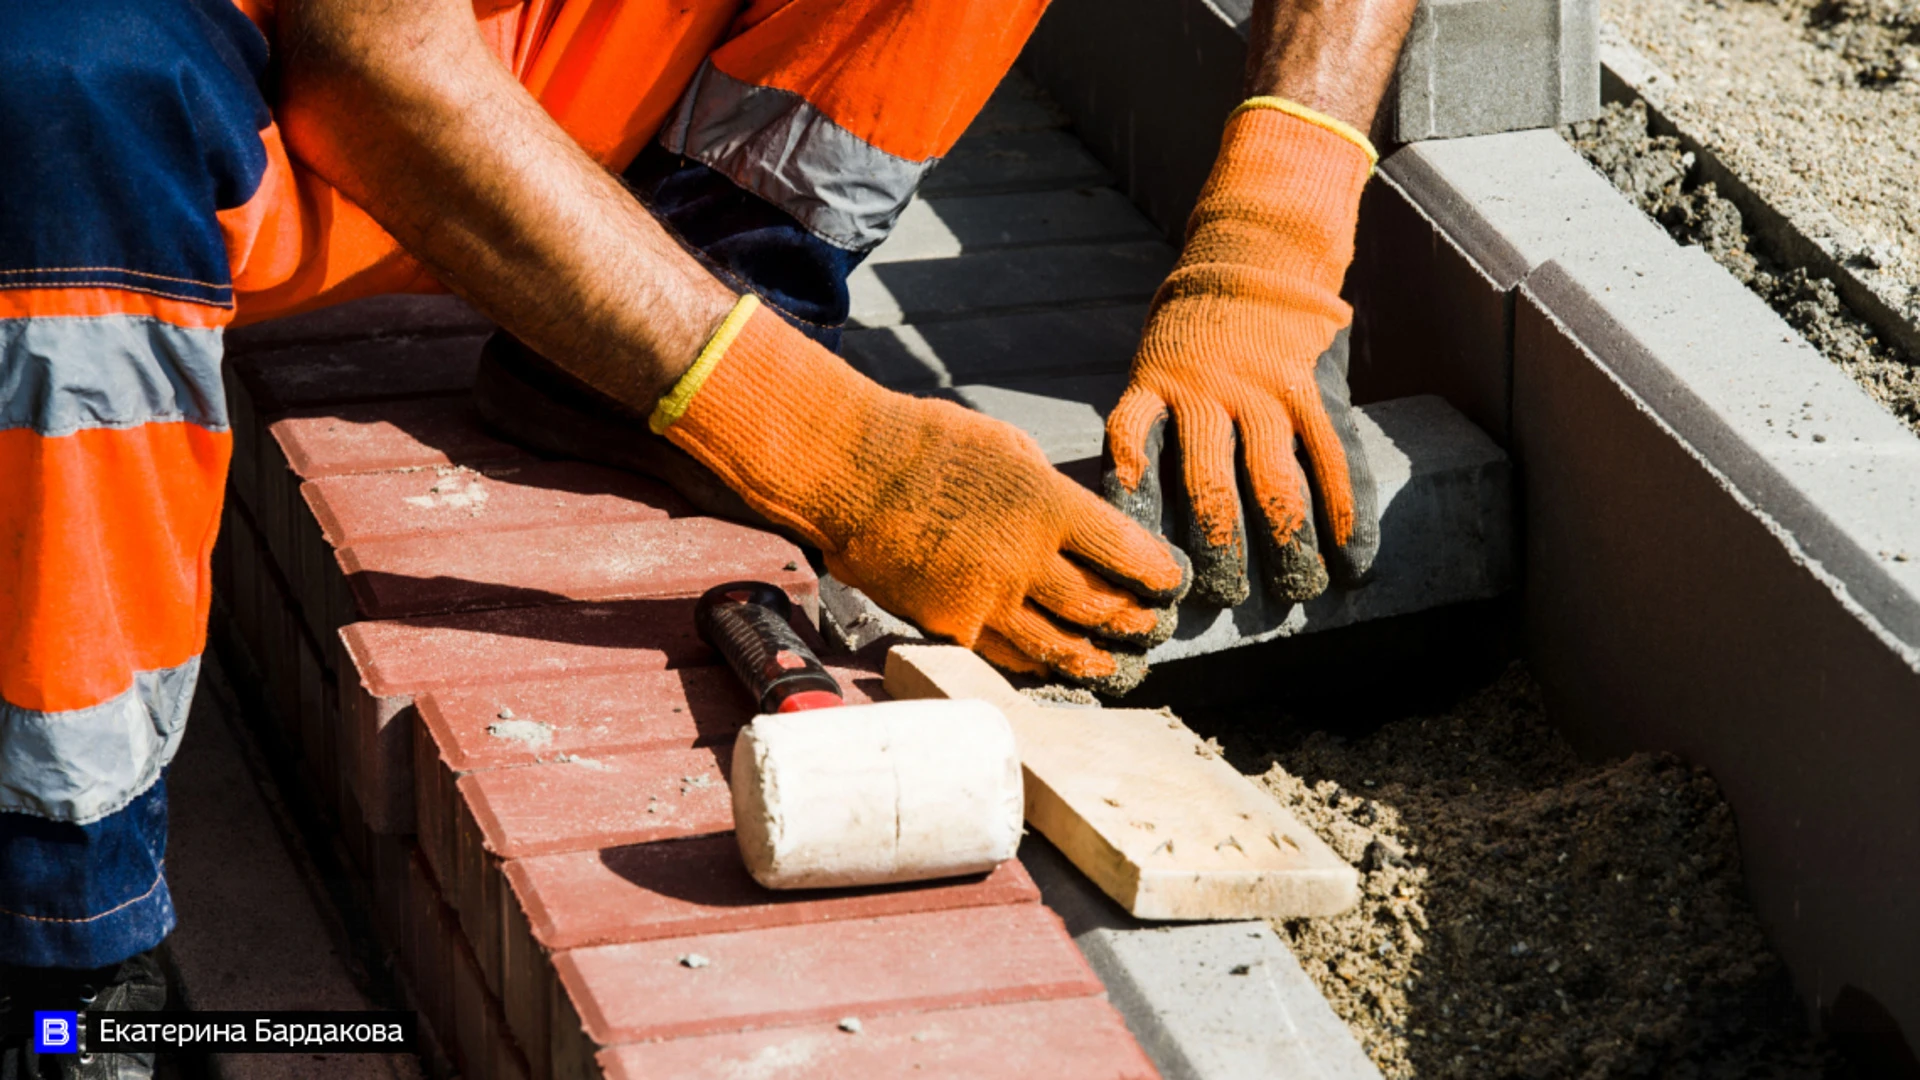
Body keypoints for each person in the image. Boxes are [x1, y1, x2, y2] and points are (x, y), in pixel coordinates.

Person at [0, 0, 1416, 1071]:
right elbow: (371, 59)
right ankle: (62, 952)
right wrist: (837, 453)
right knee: (55, 112)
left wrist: (1275, 226)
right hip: (220, 105)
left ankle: (700, 293)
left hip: (523, 75)